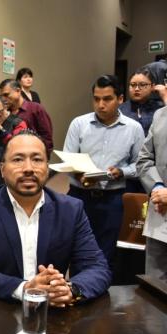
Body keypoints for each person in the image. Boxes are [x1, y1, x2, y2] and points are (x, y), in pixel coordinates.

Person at [0, 132, 111, 305]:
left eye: (37, 159)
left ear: (47, 168)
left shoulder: (70, 209)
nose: (28, 168)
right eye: (18, 159)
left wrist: (70, 290)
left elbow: (97, 268)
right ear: (2, 169)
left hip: (52, 311)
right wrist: (25, 288)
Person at [64, 75, 145, 278]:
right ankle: (76, 289)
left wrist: (122, 172)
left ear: (120, 99)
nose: (101, 105)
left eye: (107, 99)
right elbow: (68, 158)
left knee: (107, 252)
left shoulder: (133, 128)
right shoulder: (79, 124)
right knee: (76, 249)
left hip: (113, 199)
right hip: (79, 196)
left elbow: (141, 164)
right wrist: (80, 174)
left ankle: (101, 291)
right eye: (96, 99)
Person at [137, 105, 167, 280]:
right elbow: (144, 159)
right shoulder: (160, 114)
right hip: (159, 212)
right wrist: (156, 186)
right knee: (155, 282)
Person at [0, 79, 53, 155]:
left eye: (6, 95)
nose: (3, 99)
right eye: (1, 96)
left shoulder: (36, 108)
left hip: (33, 156)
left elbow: (47, 137)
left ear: (18, 91)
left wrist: (42, 157)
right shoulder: (5, 113)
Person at [119, 68, 164, 136]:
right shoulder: (120, 110)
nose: (137, 89)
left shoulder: (160, 108)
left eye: (142, 85)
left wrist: (165, 97)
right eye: (133, 85)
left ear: (152, 86)